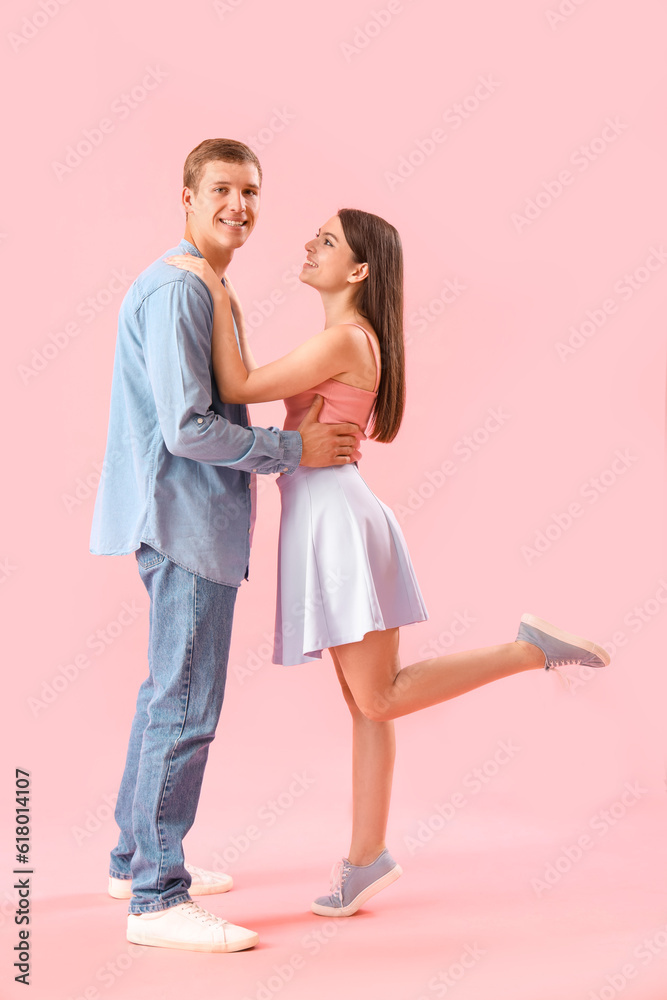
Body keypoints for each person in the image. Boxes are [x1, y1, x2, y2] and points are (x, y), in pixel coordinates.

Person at [164, 206, 611, 919]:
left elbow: (240, 384)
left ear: (359, 270)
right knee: (365, 706)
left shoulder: (345, 339)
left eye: (328, 242)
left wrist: (213, 286)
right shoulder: (346, 339)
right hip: (335, 514)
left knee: (377, 698)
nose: (309, 245)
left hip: (336, 522)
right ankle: (365, 858)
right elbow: (253, 387)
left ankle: (527, 652)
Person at [89, 138, 362, 954]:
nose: (238, 205)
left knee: (162, 696)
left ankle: (133, 856)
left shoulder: (201, 281)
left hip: (180, 521)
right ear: (186, 195)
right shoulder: (182, 291)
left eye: (250, 191)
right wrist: (294, 451)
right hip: (186, 525)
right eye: (221, 189)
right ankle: (156, 896)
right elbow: (187, 429)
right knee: (185, 707)